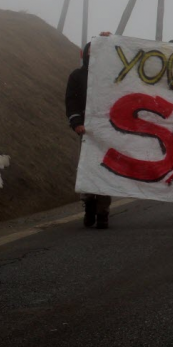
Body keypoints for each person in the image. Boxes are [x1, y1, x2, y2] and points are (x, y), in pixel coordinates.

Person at [66, 41, 112, 229]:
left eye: (97, 53)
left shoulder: (108, 76)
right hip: (86, 132)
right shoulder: (77, 76)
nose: (92, 57)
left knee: (105, 170)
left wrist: (111, 39)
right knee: (87, 168)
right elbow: (71, 101)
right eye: (90, 53)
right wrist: (76, 123)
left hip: (108, 132)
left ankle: (103, 212)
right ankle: (89, 206)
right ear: (84, 55)